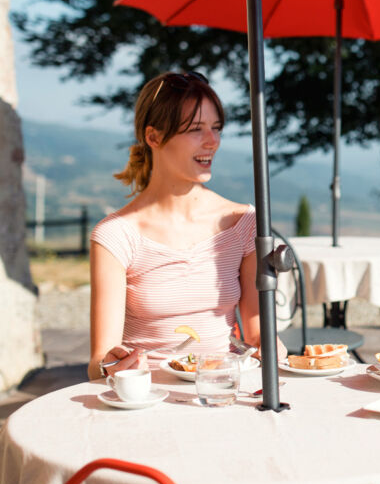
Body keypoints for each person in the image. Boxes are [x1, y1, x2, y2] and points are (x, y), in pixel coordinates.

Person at [88, 71, 282, 381]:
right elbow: (100, 361)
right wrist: (111, 366)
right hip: (148, 396)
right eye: (195, 129)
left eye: (216, 127)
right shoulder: (115, 236)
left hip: (223, 387)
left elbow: (256, 335)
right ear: (154, 137)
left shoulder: (244, 223)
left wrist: (271, 346)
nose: (212, 141)